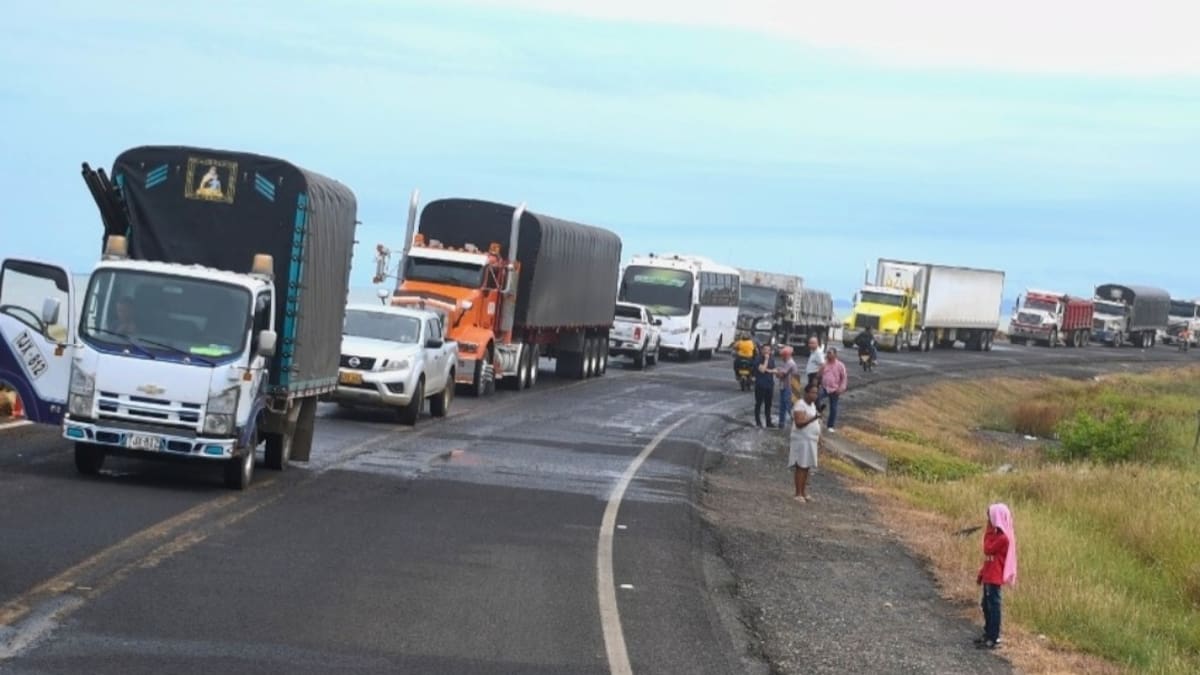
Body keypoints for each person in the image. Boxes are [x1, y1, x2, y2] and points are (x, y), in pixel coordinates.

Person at [975, 503, 1017, 650]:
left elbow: (987, 549)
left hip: (994, 577)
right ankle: (988, 633)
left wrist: (987, 531)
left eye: (990, 518)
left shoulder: (1003, 539)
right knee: (986, 605)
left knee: (994, 606)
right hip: (989, 575)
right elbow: (988, 559)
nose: (989, 521)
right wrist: (982, 573)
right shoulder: (996, 535)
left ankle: (994, 637)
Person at [789, 383, 822, 502]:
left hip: (811, 440)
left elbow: (816, 423)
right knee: (801, 466)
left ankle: (803, 492)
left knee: (806, 466)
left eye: (816, 393)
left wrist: (820, 438)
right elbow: (799, 423)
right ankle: (798, 493)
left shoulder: (812, 405)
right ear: (806, 393)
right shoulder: (800, 405)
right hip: (801, 440)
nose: (815, 395)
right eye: (813, 392)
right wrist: (813, 418)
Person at [818, 347, 848, 432]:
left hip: (835, 389)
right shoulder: (825, 364)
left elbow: (844, 378)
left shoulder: (840, 365)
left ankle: (830, 426)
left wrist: (841, 388)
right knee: (816, 398)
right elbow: (819, 376)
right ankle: (817, 416)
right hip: (824, 387)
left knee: (833, 408)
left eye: (830, 353)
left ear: (835, 355)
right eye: (827, 353)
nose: (828, 355)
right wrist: (821, 368)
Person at [774, 345, 800, 428]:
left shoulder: (789, 363)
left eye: (783, 355)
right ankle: (781, 423)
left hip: (790, 386)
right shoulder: (787, 362)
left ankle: (796, 423)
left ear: (787, 355)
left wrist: (774, 371)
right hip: (789, 385)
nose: (781, 357)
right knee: (783, 405)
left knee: (789, 406)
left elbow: (781, 375)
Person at [752, 343, 776, 427]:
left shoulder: (772, 358)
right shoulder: (758, 359)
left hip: (769, 384)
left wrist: (769, 370)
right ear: (762, 350)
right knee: (759, 403)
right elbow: (762, 370)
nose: (767, 351)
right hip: (760, 385)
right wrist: (766, 360)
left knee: (768, 405)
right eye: (765, 349)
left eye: (768, 350)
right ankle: (758, 421)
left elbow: (775, 370)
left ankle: (768, 422)